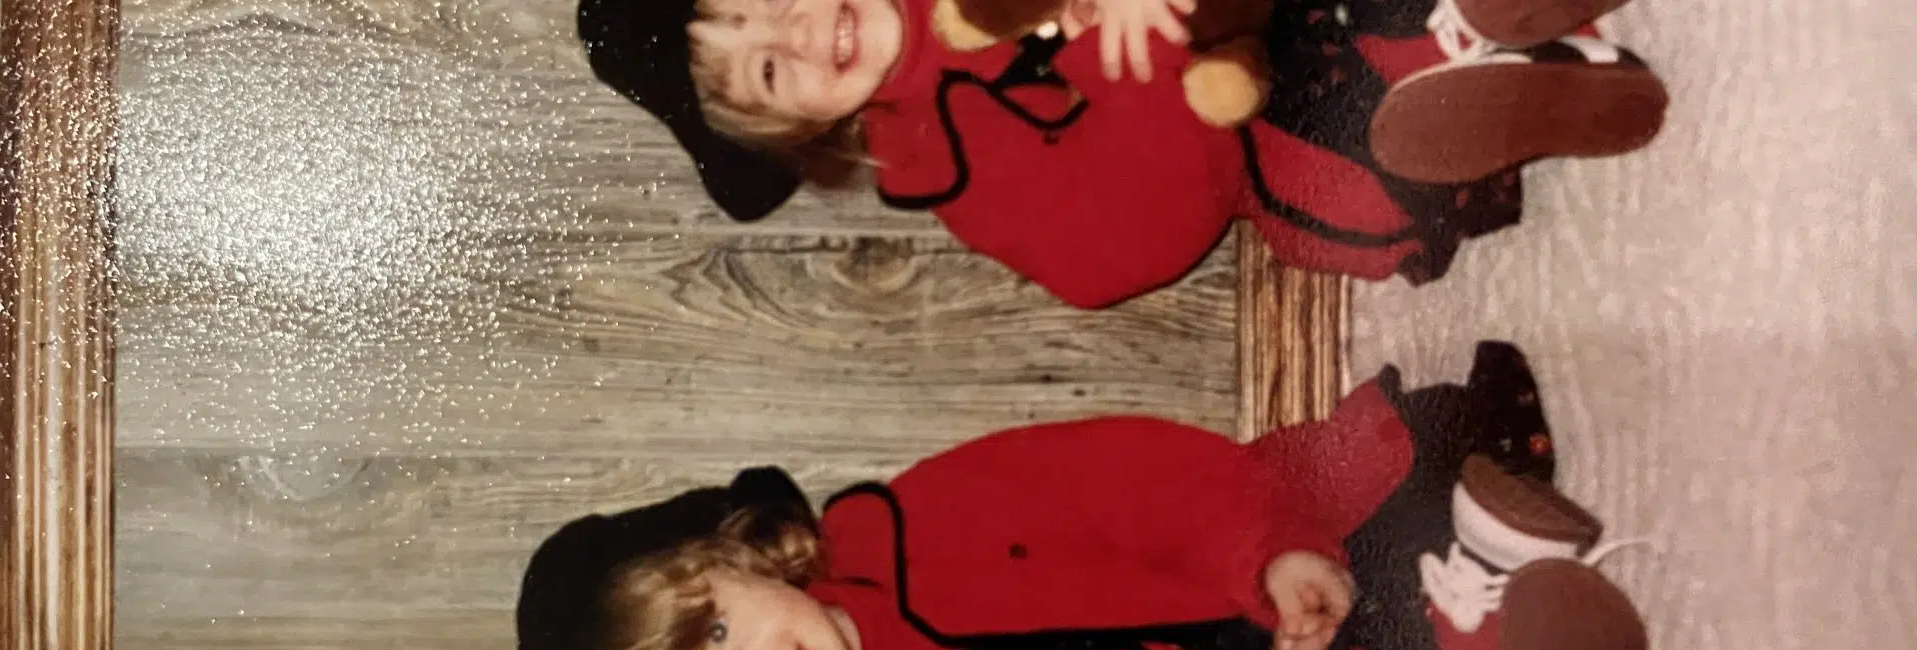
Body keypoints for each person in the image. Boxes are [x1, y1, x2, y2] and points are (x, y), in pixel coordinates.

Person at [515, 375, 1421, 650]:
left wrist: (1268, 555)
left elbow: (1121, 481)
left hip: (1254, 547)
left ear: (736, 555)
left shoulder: (907, 524)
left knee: (1411, 452)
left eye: (716, 634)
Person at [573, 0, 1668, 308]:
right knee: (1334, 180)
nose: (802, 35)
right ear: (800, 131)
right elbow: (1119, 255)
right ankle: (1512, 93)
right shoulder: (941, 164)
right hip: (1242, 123)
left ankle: (1486, 25)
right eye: (772, 72)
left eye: (768, 2)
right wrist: (1128, 61)